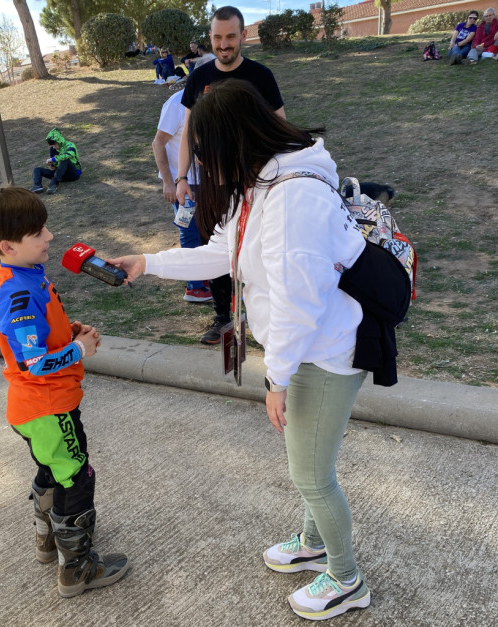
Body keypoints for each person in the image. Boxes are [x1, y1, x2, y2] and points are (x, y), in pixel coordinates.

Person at [108, 79, 371, 621]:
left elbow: (300, 303)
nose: (200, 163)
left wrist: (276, 381)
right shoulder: (262, 184)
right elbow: (222, 251)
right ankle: (312, 542)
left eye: (203, 150)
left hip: (324, 351)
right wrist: (149, 262)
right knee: (309, 460)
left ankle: (347, 580)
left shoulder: (293, 196)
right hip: (305, 349)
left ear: (232, 140)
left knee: (311, 474)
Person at [0, 186, 128, 598]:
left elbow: (39, 338)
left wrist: (70, 333)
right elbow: (33, 362)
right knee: (77, 476)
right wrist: (78, 350)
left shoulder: (26, 274)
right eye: (38, 232)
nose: (50, 236)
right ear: (8, 245)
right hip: (47, 405)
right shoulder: (18, 293)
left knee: (53, 467)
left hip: (38, 408)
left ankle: (48, 541)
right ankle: (76, 568)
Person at [176, 5, 285, 345]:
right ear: (210, 38)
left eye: (231, 37)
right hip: (211, 184)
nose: (224, 45)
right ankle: (224, 318)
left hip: (254, 184)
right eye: (217, 37)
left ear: (243, 36)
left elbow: (280, 127)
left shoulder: (260, 76)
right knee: (217, 252)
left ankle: (265, 318)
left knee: (259, 250)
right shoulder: (199, 78)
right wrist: (181, 178)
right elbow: (186, 132)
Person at [152, 90, 212, 303]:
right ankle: (194, 287)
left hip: (208, 181)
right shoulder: (176, 104)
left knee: (208, 232)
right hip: (183, 184)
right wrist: (169, 182)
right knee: (189, 232)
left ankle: (206, 279)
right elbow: (158, 143)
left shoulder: (215, 98)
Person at [29, 128, 82, 195]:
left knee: (64, 160)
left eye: (54, 144)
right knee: (37, 170)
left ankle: (53, 185)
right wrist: (52, 165)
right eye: (52, 145)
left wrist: (53, 159)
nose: (53, 147)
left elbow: (69, 155)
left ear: (59, 141)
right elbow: (55, 164)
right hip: (60, 175)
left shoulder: (70, 145)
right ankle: (37, 186)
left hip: (73, 173)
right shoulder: (53, 149)